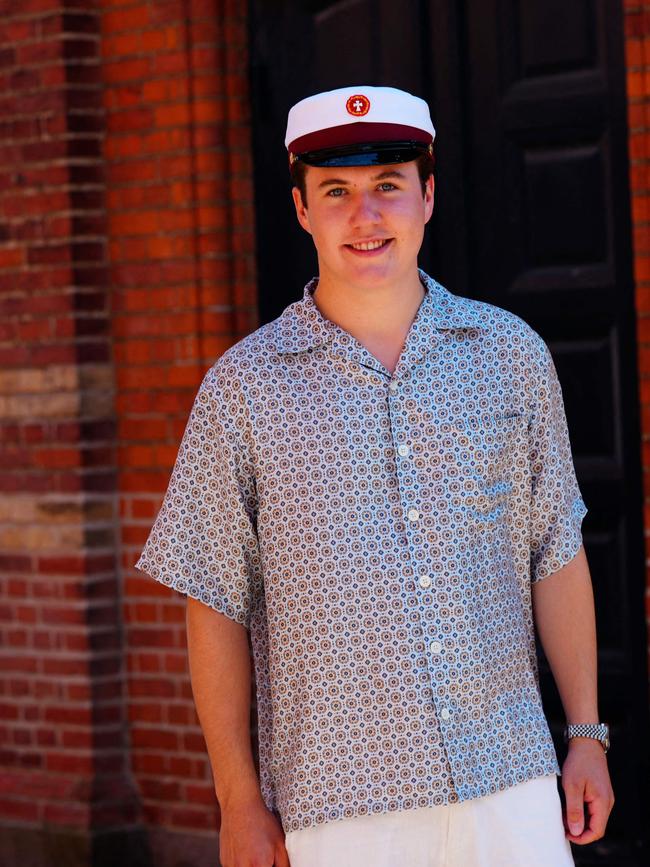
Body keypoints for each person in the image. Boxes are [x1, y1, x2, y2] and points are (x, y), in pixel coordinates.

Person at [134, 85, 615, 866]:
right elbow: (213, 600)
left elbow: (554, 549)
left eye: (388, 184)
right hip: (340, 808)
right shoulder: (242, 390)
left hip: (512, 781)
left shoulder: (510, 354)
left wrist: (587, 734)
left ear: (427, 195)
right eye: (337, 192)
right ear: (301, 210)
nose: (366, 216)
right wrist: (238, 798)